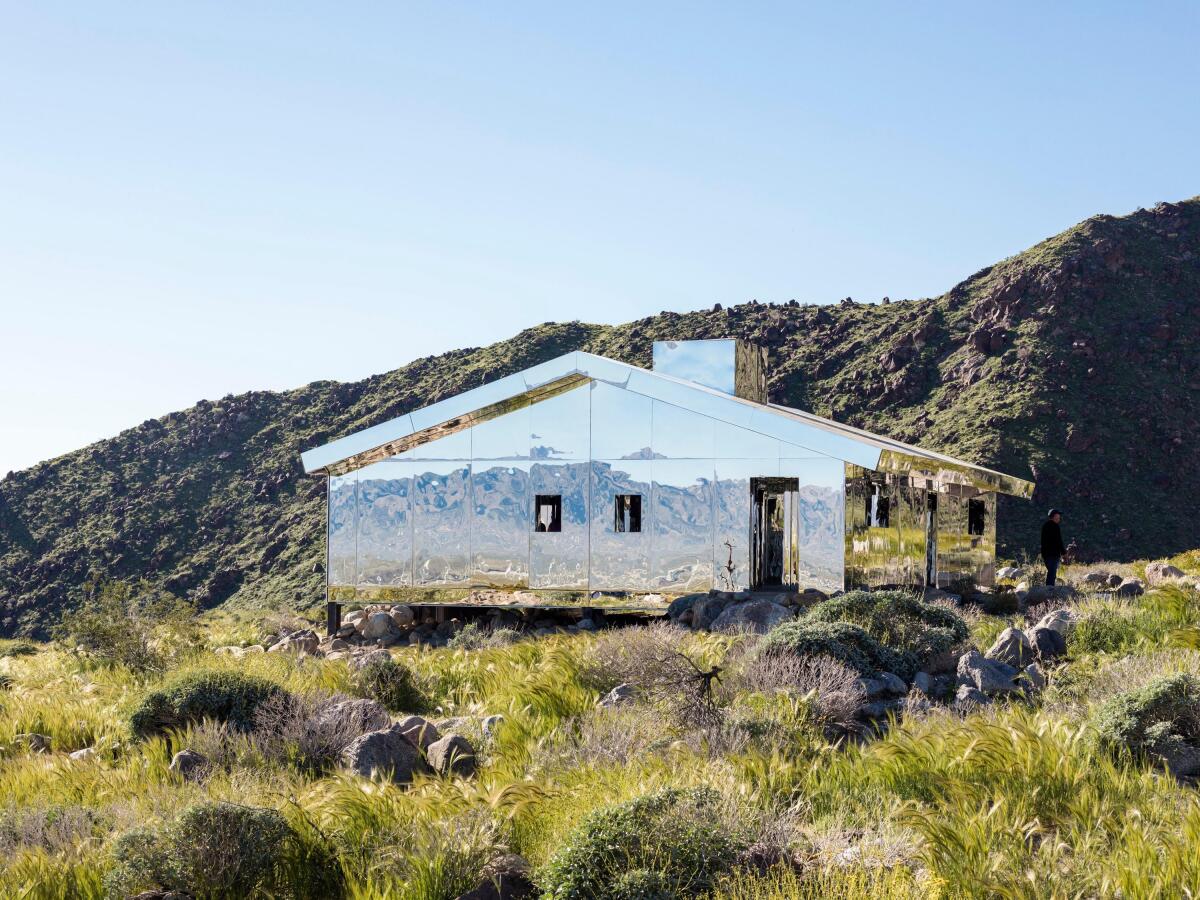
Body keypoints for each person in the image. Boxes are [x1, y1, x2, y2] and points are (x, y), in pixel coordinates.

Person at [1041, 509, 1066, 586]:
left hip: (1046, 554)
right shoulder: (1055, 526)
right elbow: (1058, 541)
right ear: (1054, 516)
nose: (1059, 517)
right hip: (1053, 554)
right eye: (1058, 516)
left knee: (1051, 572)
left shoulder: (1045, 526)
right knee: (1052, 573)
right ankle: (1049, 590)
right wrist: (1064, 553)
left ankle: (1049, 589)